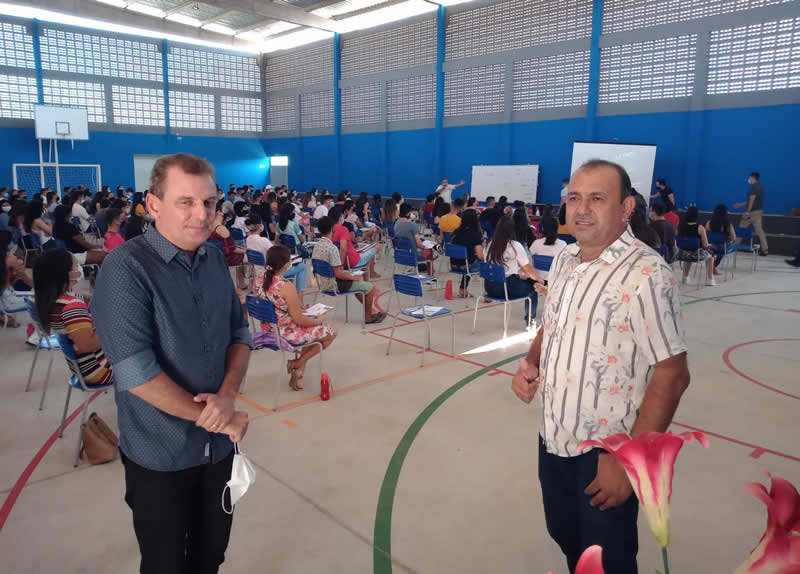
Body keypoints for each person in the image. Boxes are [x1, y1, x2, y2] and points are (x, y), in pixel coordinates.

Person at [511, 159, 690, 574]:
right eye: (575, 198)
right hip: (553, 437)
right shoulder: (565, 259)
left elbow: (673, 374)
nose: (582, 208)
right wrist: (531, 362)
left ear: (626, 208)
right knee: (566, 536)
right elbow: (553, 321)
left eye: (597, 198)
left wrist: (631, 460)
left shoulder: (647, 274)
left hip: (607, 453)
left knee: (608, 558)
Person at [90, 154, 251, 574]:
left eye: (209, 203)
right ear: (153, 204)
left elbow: (239, 333)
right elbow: (136, 372)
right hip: (160, 454)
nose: (202, 214)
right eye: (186, 202)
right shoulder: (126, 268)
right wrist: (218, 419)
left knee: (210, 555)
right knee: (165, 563)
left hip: (218, 451)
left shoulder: (214, 259)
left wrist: (227, 395)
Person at [255, 245, 336, 390]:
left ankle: (299, 374)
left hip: (269, 330)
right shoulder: (285, 286)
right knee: (331, 332)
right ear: (286, 265)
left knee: (313, 330)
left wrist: (300, 310)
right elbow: (299, 320)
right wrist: (318, 319)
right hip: (285, 333)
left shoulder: (259, 280)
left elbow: (279, 306)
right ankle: (297, 363)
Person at [33, 249, 113, 385]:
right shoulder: (72, 306)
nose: (80, 268)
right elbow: (87, 345)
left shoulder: (53, 300)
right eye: (76, 265)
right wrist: (112, 325)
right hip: (100, 370)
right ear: (65, 273)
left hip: (83, 368)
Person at [311, 216, 385, 324]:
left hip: (323, 283)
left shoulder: (316, 246)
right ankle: (368, 317)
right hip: (334, 285)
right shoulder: (332, 248)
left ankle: (372, 311)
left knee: (358, 284)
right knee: (371, 288)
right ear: (332, 229)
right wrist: (352, 277)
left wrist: (349, 276)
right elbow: (338, 273)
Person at [484, 215, 538, 327]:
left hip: (490, 288)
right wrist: (538, 279)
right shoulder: (515, 246)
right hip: (508, 289)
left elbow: (494, 267)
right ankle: (530, 320)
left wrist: (518, 272)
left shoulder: (489, 245)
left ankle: (530, 321)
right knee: (533, 288)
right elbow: (527, 268)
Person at [329, 205, 380, 279]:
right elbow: (343, 249)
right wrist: (341, 265)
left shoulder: (328, 230)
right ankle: (370, 274)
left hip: (334, 263)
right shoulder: (343, 229)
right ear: (340, 217)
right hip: (351, 261)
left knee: (364, 252)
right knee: (377, 246)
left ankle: (367, 278)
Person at [677, 205, 716, 286]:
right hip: (696, 255)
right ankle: (710, 279)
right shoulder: (700, 228)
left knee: (689, 254)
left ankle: (685, 277)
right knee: (711, 256)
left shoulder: (680, 226)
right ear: (697, 216)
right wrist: (709, 246)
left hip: (682, 254)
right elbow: (705, 245)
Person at [449, 208, 484, 297]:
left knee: (468, 261)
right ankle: (487, 292)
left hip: (453, 265)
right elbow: (480, 256)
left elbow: (449, 245)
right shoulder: (475, 234)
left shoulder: (456, 232)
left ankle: (463, 289)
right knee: (485, 264)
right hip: (466, 266)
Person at [209, 209, 247, 290]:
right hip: (227, 257)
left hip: (216, 256)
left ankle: (241, 283)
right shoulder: (222, 229)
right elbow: (232, 250)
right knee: (249, 256)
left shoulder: (209, 226)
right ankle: (242, 283)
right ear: (219, 213)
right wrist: (246, 251)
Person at [394, 203, 435, 275]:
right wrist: (425, 246)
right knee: (430, 250)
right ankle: (431, 274)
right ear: (408, 213)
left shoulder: (396, 223)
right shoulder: (413, 225)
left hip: (400, 255)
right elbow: (419, 244)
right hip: (413, 255)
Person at [734, 171, 768, 256]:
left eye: (749, 177)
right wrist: (740, 204)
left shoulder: (753, 187)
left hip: (752, 213)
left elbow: (752, 200)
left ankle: (734, 246)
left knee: (741, 228)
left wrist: (747, 212)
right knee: (760, 231)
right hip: (758, 212)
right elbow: (753, 200)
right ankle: (765, 249)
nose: (749, 179)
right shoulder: (760, 187)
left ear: (753, 178)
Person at [529, 216, 567, 283]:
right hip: (555, 281)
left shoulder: (536, 243)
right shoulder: (563, 244)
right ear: (557, 228)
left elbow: (530, 263)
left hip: (537, 280)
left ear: (543, 229)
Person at [705, 203, 737, 270]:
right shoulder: (728, 225)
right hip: (722, 248)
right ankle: (714, 266)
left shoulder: (709, 223)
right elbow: (734, 238)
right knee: (725, 248)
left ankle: (710, 266)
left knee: (711, 252)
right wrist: (728, 239)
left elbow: (705, 235)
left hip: (710, 247)